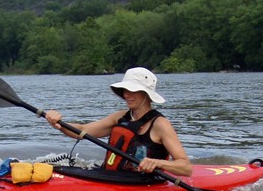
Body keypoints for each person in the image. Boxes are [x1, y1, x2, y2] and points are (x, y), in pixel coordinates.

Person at [45, 67, 193, 177]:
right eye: (124, 90)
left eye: (132, 90)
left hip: (141, 183)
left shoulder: (160, 124)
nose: (126, 95)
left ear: (146, 94)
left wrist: (158, 163)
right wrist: (59, 124)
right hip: (110, 177)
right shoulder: (120, 117)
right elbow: (83, 130)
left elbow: (186, 167)